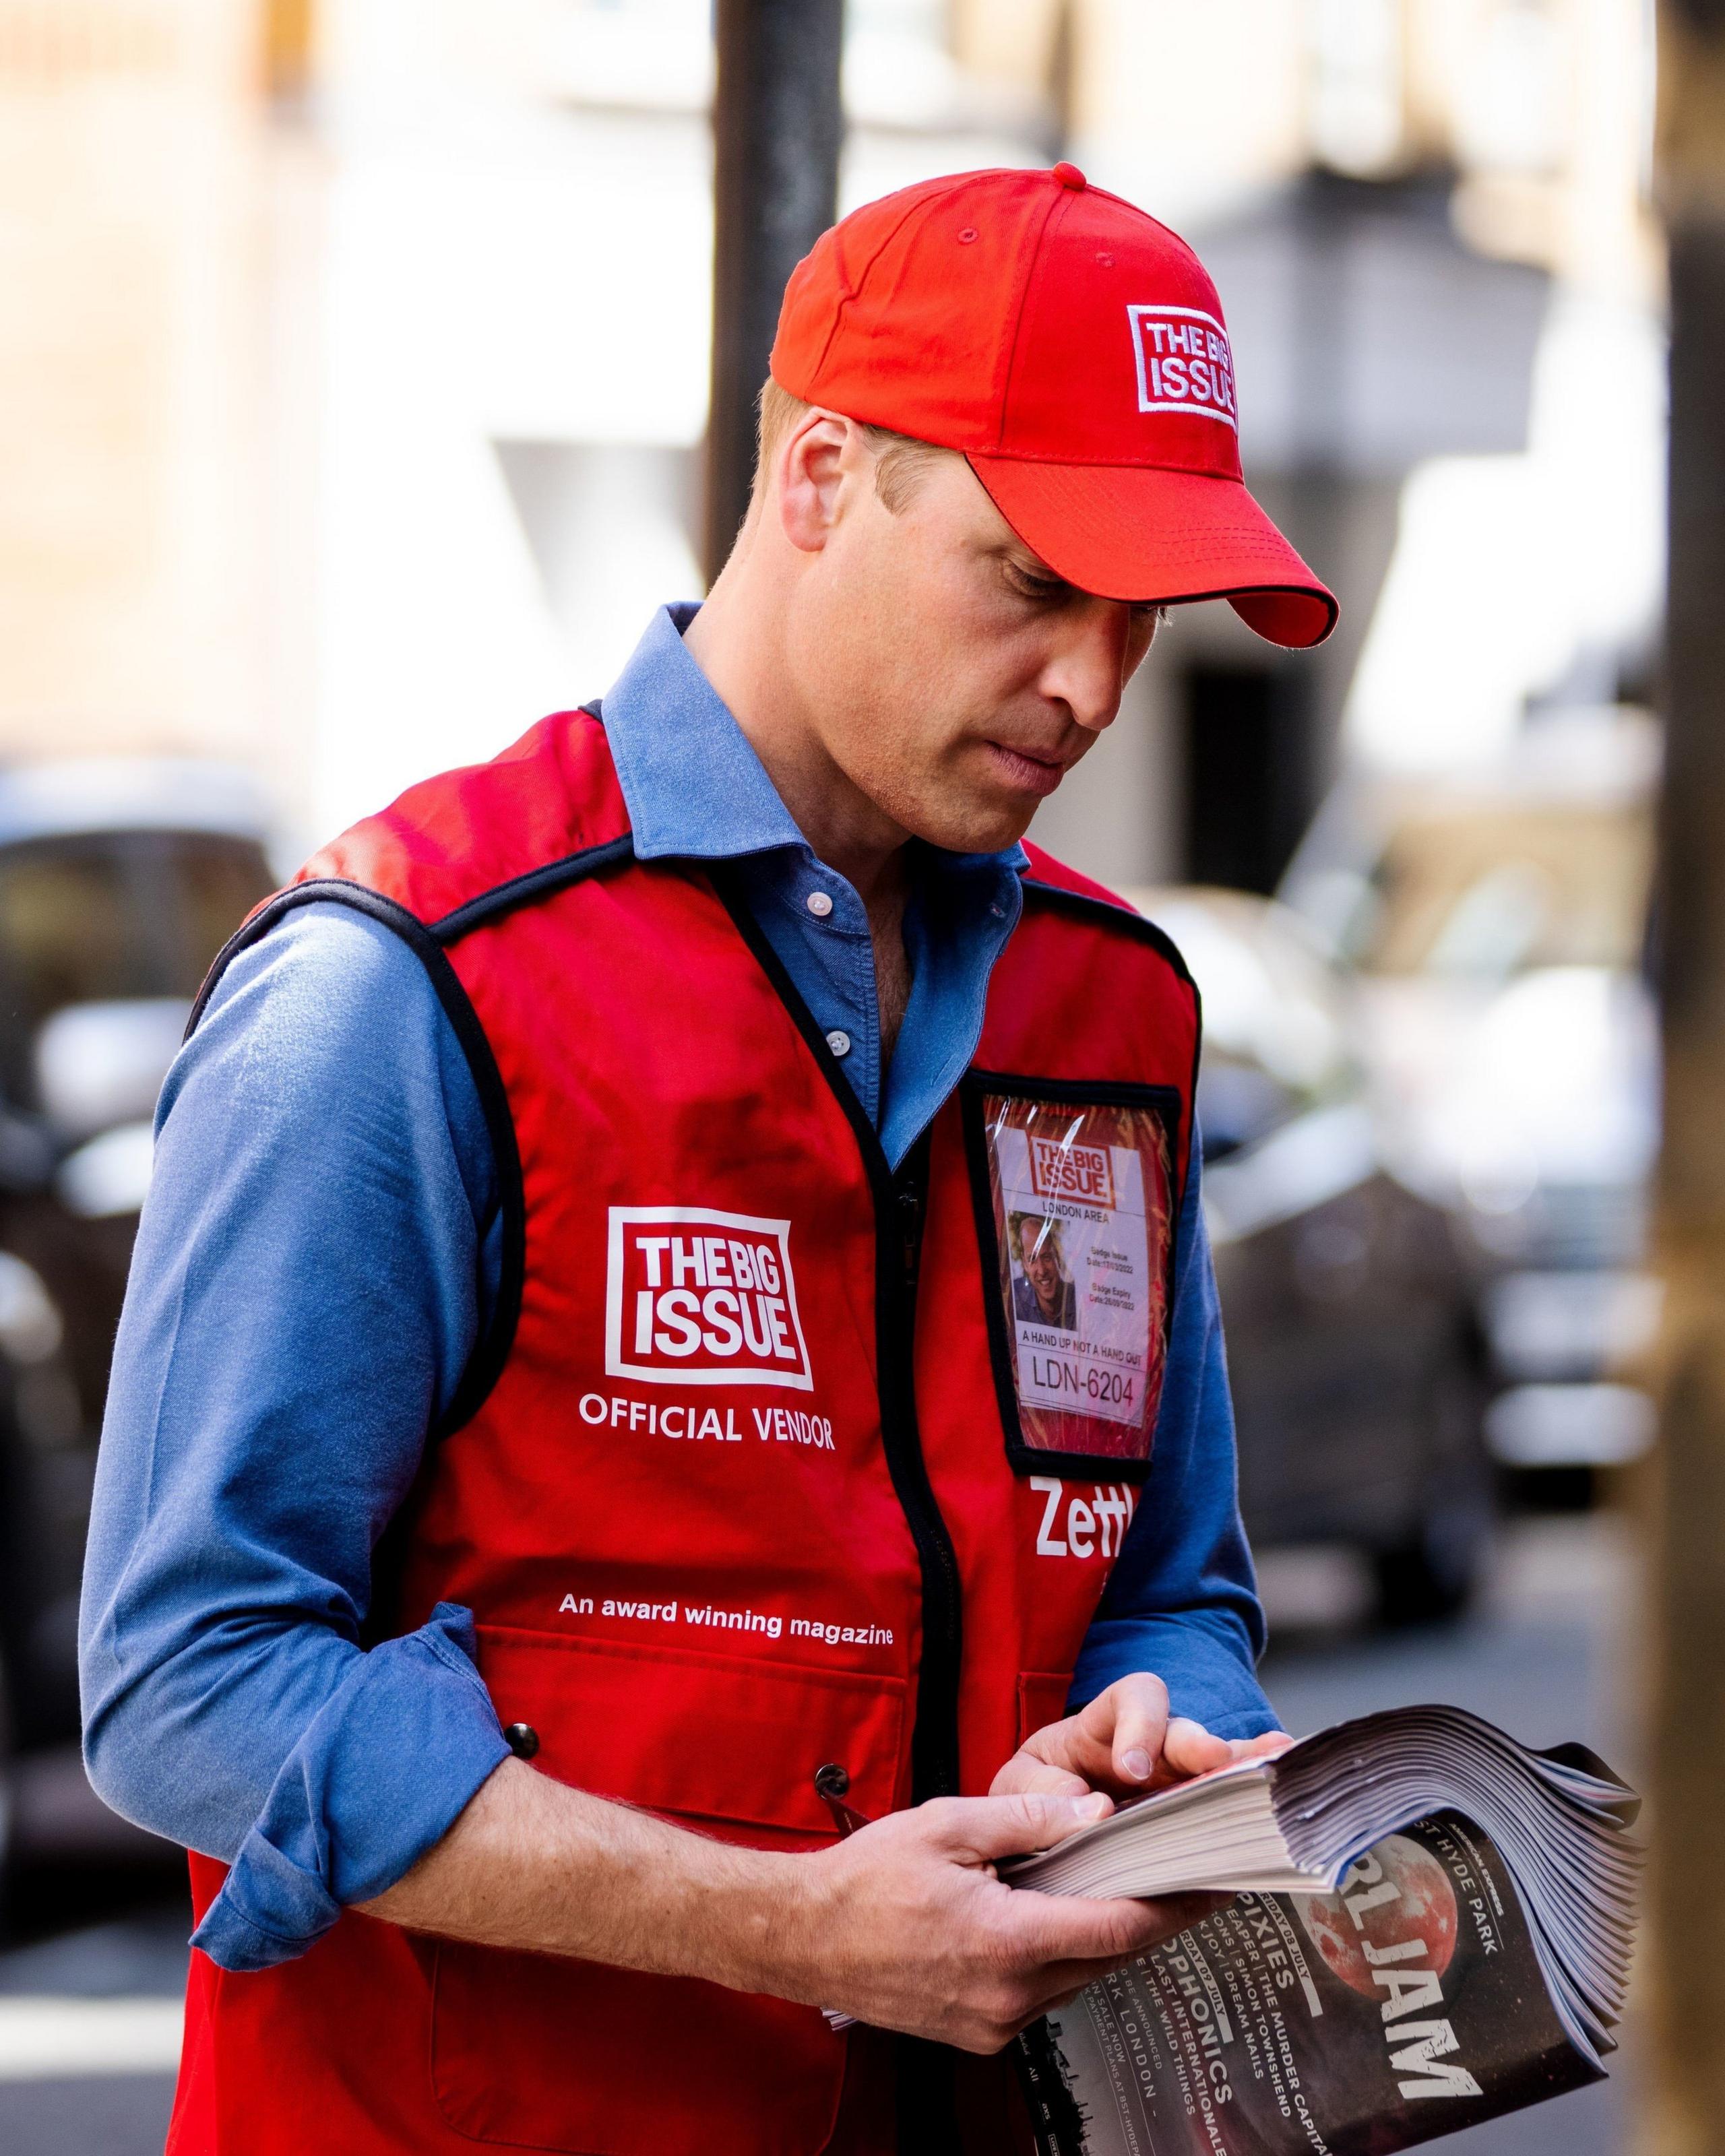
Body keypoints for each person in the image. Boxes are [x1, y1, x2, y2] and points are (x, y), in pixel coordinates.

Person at [80, 164, 1335, 2155]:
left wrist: (1154, 1726)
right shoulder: (409, 976)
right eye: (1031, 577)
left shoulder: (1111, 1011)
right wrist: (797, 1926)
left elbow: (1166, 1583)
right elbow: (189, 1685)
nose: (1095, 684)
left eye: (1145, 610)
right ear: (823, 477)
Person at [1012, 1215, 1077, 1331]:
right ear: (1025, 1264)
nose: (1042, 1271)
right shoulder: (1013, 1298)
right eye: (1032, 1259)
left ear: (1057, 1256)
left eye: (1047, 1257)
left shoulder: (1078, 1300)